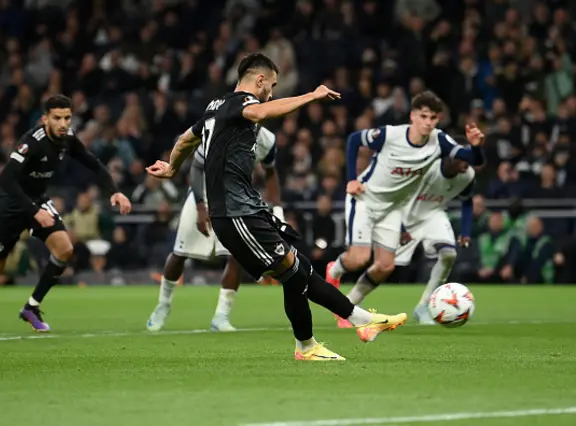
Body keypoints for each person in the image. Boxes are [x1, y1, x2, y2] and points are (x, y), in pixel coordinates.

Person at [147, 53, 406, 361]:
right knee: (295, 272)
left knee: (297, 269)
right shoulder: (240, 104)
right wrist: (312, 95)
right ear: (259, 80)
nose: (271, 92)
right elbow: (260, 113)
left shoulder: (215, 108)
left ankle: (333, 334)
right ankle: (339, 331)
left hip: (247, 210)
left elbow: (186, 140)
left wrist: (173, 167)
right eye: (271, 85)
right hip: (235, 213)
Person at [0, 95, 132, 332]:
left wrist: (115, 191)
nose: (63, 124)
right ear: (45, 119)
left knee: (65, 248)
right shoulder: (32, 142)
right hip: (8, 205)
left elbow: (93, 163)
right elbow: (6, 178)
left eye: (67, 118)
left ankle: (31, 306)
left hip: (37, 201)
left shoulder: (68, 139)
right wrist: (33, 211)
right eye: (57, 118)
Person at [325, 92, 484, 325]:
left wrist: (476, 146)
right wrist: (351, 178)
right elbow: (354, 140)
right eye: (424, 116)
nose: (428, 122)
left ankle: (347, 308)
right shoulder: (390, 134)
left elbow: (470, 158)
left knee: (385, 266)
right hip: (365, 199)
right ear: (413, 116)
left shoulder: (438, 140)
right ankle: (335, 269)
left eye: (433, 118)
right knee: (359, 259)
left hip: (392, 209)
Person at [147, 126, 283, 332]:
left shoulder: (267, 140)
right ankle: (163, 304)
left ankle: (221, 316)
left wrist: (277, 207)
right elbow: (197, 167)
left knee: (235, 256)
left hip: (233, 203)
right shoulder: (222, 128)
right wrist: (201, 207)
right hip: (202, 195)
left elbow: (271, 171)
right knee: (179, 254)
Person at [373, 152, 476, 324]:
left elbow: (467, 201)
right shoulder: (425, 168)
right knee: (384, 267)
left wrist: (465, 231)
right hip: (405, 215)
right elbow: (396, 195)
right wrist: (400, 227)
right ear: (451, 158)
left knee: (448, 254)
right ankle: (350, 302)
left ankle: (423, 306)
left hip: (433, 214)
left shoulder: (467, 175)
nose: (468, 163)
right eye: (463, 159)